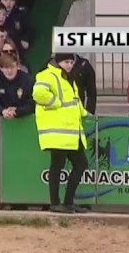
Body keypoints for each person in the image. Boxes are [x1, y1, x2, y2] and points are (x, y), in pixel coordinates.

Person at [31, 53, 89, 214]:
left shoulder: (68, 78)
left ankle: (66, 202)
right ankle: (57, 203)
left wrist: (83, 113)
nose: (69, 65)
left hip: (69, 131)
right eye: (66, 62)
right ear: (57, 62)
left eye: (71, 62)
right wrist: (55, 102)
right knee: (59, 166)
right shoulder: (47, 75)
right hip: (58, 131)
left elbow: (74, 100)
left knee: (78, 164)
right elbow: (38, 94)